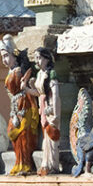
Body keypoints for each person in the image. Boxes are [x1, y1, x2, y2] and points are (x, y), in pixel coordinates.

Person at [0, 34, 39, 175]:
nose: (4, 60)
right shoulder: (11, 72)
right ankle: (19, 162)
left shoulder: (20, 72)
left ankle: (25, 164)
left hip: (25, 105)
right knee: (13, 132)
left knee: (23, 134)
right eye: (2, 57)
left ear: (14, 55)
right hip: (15, 106)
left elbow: (29, 87)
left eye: (6, 56)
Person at [32, 47, 61, 175]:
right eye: (35, 58)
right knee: (46, 137)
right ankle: (46, 163)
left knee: (52, 135)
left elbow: (55, 93)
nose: (37, 61)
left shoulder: (51, 74)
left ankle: (53, 165)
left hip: (51, 105)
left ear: (47, 59)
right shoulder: (39, 74)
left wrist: (54, 111)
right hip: (43, 106)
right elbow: (38, 93)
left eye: (39, 58)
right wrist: (27, 87)